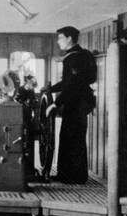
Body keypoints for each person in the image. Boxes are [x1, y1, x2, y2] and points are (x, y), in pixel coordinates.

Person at [41, 26, 97, 184]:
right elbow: (68, 83)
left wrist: (55, 104)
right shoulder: (79, 55)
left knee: (71, 138)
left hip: (76, 104)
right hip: (79, 103)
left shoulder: (73, 58)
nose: (58, 41)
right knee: (72, 138)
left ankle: (72, 176)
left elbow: (71, 85)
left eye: (60, 38)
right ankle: (71, 175)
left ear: (69, 38)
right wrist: (50, 89)